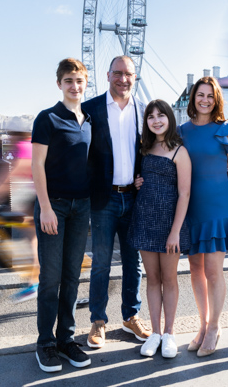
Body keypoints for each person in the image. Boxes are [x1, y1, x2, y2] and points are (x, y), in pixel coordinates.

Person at [81, 55, 151, 349]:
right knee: (101, 264)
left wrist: (143, 175)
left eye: (129, 75)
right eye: (118, 73)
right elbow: (79, 153)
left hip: (132, 198)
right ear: (108, 75)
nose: (124, 79)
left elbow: (150, 150)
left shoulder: (143, 109)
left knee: (133, 263)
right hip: (103, 199)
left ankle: (130, 315)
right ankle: (98, 321)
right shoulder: (91, 109)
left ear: (135, 78)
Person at [179, 76, 228, 357]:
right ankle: (202, 324)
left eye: (210, 95)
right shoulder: (180, 131)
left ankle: (215, 326)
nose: (204, 100)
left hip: (219, 206)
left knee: (212, 270)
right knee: (194, 269)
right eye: (200, 95)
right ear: (193, 98)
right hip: (191, 207)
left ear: (216, 99)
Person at [32, 58, 93, 373]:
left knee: (72, 277)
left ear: (85, 83)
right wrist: (44, 207)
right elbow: (36, 165)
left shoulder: (89, 120)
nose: (75, 86)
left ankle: (66, 339)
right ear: (60, 84)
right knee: (51, 278)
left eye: (79, 80)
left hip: (81, 207)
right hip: (53, 205)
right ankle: (45, 344)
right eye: (69, 80)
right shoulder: (48, 118)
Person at [128, 100, 191, 358]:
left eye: (161, 115)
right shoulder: (143, 149)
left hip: (169, 225)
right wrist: (137, 181)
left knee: (169, 278)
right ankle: (154, 333)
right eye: (151, 116)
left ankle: (169, 333)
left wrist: (176, 231)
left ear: (169, 119)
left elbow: (185, 193)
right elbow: (139, 180)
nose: (156, 120)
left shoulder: (179, 151)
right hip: (144, 220)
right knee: (152, 279)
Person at [0, 116, 39, 303]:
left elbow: (11, 176)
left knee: (31, 233)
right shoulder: (27, 145)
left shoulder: (25, 147)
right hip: (42, 192)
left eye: (12, 134)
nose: (9, 137)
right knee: (26, 222)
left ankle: (34, 283)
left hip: (49, 193)